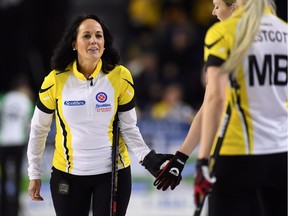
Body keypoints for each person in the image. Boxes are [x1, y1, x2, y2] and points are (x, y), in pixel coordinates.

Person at [27, 14, 173, 216]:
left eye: (99, 36)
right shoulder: (55, 80)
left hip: (113, 176)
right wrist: (34, 172)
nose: (94, 40)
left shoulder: (120, 76)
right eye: (86, 36)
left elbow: (128, 127)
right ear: (74, 44)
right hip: (67, 175)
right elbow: (38, 128)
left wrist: (147, 158)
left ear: (105, 43)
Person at [154, 0, 288, 216]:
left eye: (217, 5)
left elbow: (214, 101)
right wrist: (180, 156)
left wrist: (203, 162)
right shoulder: (285, 31)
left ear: (235, 4)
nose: (213, 12)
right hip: (281, 155)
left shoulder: (223, 32)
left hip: (237, 153)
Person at [0, 74, 34, 216]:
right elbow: (30, 124)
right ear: (22, 87)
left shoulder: (4, 97)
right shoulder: (27, 100)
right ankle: (15, 208)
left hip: (3, 142)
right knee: (16, 177)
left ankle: (3, 207)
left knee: (4, 177)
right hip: (18, 142)